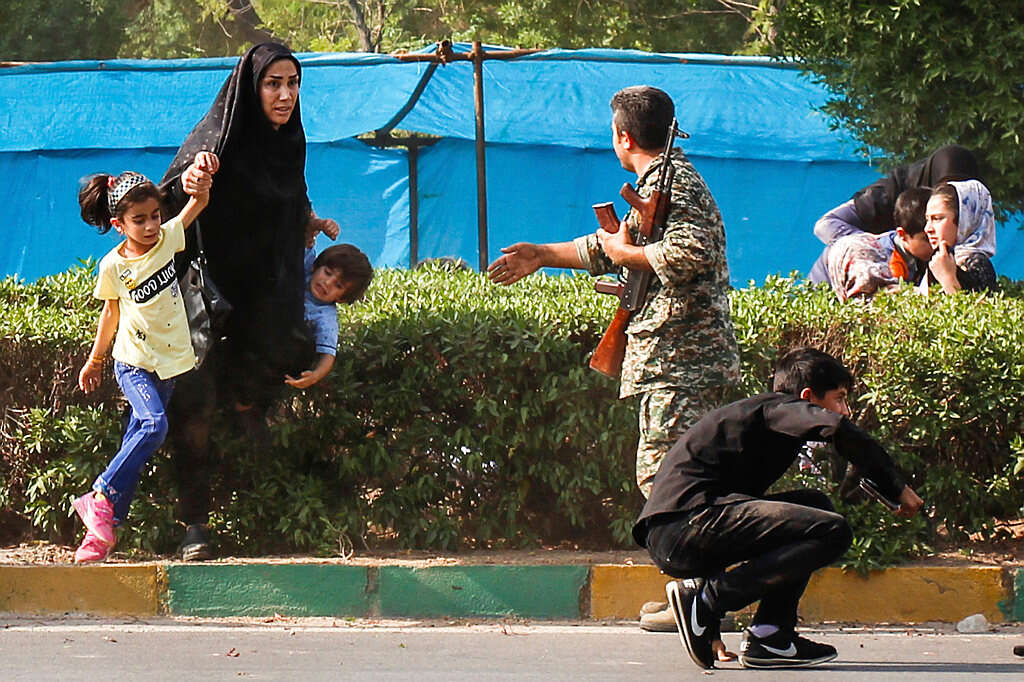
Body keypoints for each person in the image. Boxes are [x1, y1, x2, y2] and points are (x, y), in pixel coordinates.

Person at [487, 85, 739, 640]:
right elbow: (614, 243)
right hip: (676, 361)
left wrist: (627, 254)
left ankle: (701, 596)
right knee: (679, 478)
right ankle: (696, 591)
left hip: (683, 362)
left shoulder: (677, 183)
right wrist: (544, 256)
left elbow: (684, 254)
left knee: (669, 478)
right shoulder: (659, 184)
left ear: (623, 138)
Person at [158, 42, 340, 560]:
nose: (285, 95)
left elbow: (290, 196)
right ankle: (194, 524)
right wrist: (193, 187)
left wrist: (306, 220)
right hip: (208, 305)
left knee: (282, 359)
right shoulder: (216, 143)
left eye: (293, 84)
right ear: (250, 87)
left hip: (265, 302)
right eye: (272, 84)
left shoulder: (290, 143)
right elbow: (169, 197)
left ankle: (258, 495)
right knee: (195, 412)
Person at [634, 347, 924, 670]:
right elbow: (841, 432)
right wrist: (897, 486)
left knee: (816, 507)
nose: (846, 410)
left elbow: (726, 512)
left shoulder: (765, 426)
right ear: (807, 397)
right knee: (833, 530)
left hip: (687, 527)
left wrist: (708, 631)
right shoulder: (780, 408)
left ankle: (770, 636)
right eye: (839, 398)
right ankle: (710, 601)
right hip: (683, 526)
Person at [73, 153, 218, 563]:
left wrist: (202, 183)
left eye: (155, 216)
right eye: (140, 220)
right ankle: (99, 494)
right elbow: (110, 315)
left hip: (169, 367)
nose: (151, 226)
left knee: (135, 447)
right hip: (133, 363)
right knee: (154, 426)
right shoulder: (112, 267)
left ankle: (100, 535)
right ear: (120, 224)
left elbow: (198, 206)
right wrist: (95, 360)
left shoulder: (169, 239)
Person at [807, 145, 980, 282]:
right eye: (947, 188)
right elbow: (826, 225)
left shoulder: (963, 211)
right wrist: (874, 249)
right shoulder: (887, 194)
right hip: (846, 276)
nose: (951, 197)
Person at [284, 243, 373, 390]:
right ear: (315, 267)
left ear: (342, 298)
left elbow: (328, 355)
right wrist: (318, 226)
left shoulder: (325, 317)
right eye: (327, 272)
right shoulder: (305, 270)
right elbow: (305, 240)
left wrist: (315, 375)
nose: (327, 282)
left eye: (338, 285)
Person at [821, 187, 934, 301]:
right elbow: (870, 305)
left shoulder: (921, 257)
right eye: (926, 239)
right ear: (903, 235)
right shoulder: (867, 257)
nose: (935, 244)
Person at [920, 179, 997, 294]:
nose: (928, 229)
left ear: (965, 220)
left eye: (937, 218)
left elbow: (976, 310)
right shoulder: (942, 258)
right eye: (927, 219)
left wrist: (947, 278)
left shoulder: (977, 264)